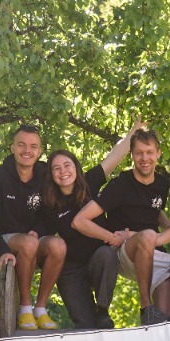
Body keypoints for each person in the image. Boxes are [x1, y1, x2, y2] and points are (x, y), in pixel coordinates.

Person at [39, 122, 146, 329]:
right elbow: (40, 235)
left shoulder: (89, 182)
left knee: (107, 253)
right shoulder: (49, 203)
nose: (63, 171)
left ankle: (103, 309)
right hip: (70, 269)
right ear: (51, 175)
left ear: (76, 168)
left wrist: (134, 131)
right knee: (85, 325)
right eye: (56, 168)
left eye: (67, 165)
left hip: (98, 259)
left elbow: (115, 156)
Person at [72, 128, 170, 325]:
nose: (144, 158)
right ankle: (145, 307)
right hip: (124, 252)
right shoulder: (120, 185)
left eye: (149, 152)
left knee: (166, 319)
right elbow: (79, 220)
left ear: (158, 153)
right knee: (147, 236)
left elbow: (154, 209)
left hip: (154, 252)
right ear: (132, 155)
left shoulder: (163, 184)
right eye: (139, 153)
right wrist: (112, 237)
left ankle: (156, 326)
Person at [0, 124, 61, 331]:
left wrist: (39, 230)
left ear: (40, 151)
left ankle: (40, 309)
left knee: (58, 245)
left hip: (32, 243)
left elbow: (51, 216)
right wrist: (2, 250)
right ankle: (25, 308)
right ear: (12, 148)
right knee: (28, 242)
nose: (27, 150)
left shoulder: (45, 176)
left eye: (33, 146)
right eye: (21, 145)